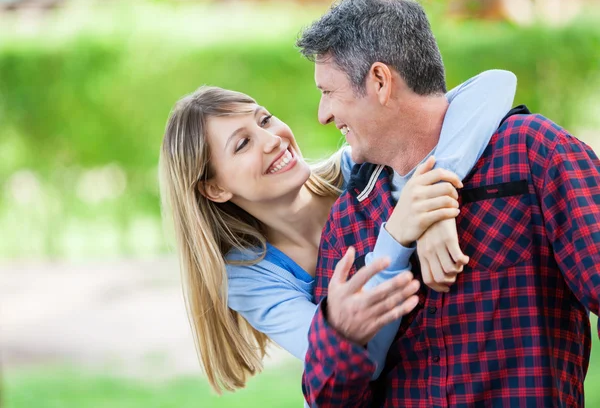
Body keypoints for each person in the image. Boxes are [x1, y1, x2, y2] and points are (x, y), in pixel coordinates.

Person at [297, 0, 600, 408]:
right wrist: (340, 332)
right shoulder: (351, 217)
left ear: (380, 81)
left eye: (328, 92)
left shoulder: (532, 155)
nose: (323, 115)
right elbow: (326, 398)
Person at [158, 70, 516, 394]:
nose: (272, 140)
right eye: (242, 144)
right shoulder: (248, 275)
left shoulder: (359, 173)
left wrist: (436, 197)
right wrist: (397, 235)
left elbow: (495, 84)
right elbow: (354, 358)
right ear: (215, 189)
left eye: (264, 119)